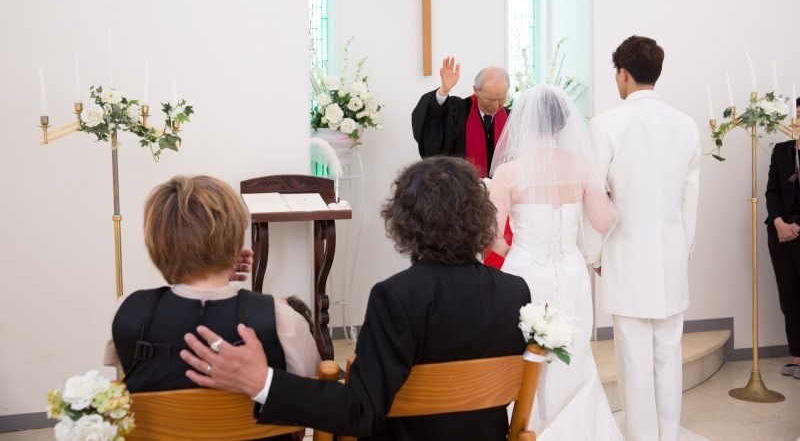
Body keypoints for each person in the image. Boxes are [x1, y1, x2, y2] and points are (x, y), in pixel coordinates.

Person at [180, 157, 532, 440]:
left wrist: (263, 381)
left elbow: (360, 412)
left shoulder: (396, 297)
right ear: (481, 217)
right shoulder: (515, 291)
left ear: (406, 221)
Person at [104, 175, 319, 400]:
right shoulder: (282, 322)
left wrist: (208, 265)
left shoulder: (128, 314)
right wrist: (219, 264)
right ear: (235, 238)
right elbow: (307, 397)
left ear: (157, 244)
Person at [488, 84, 621, 440]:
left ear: (524, 123)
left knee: (528, 354)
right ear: (563, 125)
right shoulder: (582, 166)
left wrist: (516, 253)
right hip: (572, 272)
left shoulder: (508, 173)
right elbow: (603, 222)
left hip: (525, 274)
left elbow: (490, 234)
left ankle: (528, 427)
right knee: (574, 353)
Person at [588, 36, 701, 441]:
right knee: (668, 356)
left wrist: (594, 254)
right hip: (670, 258)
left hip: (625, 256)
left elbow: (594, 197)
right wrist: (680, 250)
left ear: (623, 73)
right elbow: (690, 200)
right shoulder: (685, 124)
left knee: (633, 357)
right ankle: (667, 435)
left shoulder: (605, 124)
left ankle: (641, 435)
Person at [412, 56, 510, 179]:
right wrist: (443, 91)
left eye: (501, 99)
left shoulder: (509, 118)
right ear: (476, 90)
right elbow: (433, 123)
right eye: (490, 99)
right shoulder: (459, 110)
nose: (495, 105)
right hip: (464, 189)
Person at [765, 97, 800, 379]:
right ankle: (797, 356)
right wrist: (779, 222)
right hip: (779, 233)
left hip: (797, 230)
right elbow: (772, 192)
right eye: (797, 114)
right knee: (789, 297)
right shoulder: (781, 151)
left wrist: (795, 225)